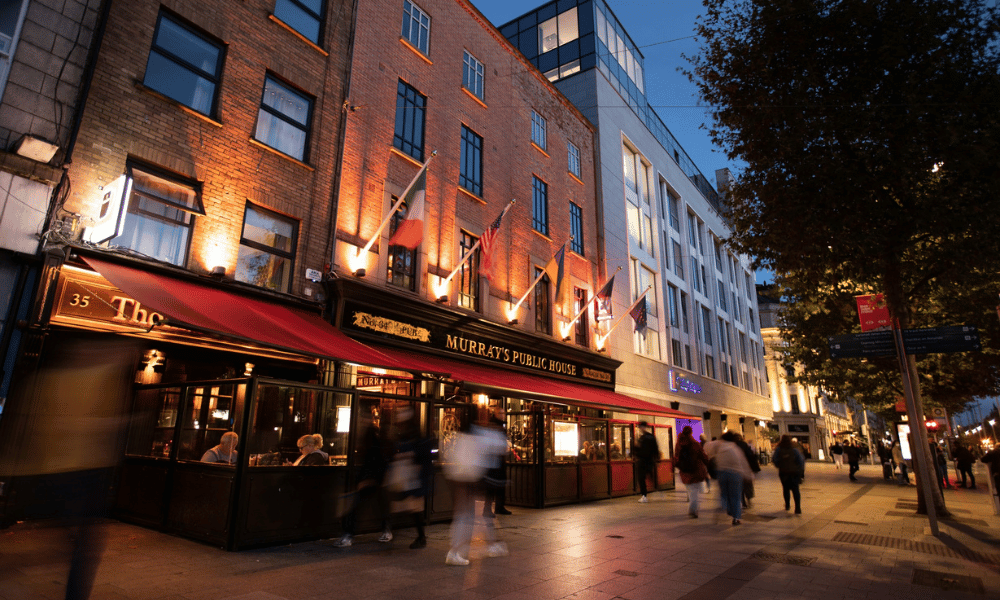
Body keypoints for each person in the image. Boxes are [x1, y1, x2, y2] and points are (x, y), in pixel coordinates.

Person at [444, 416, 509, 566]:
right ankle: (455, 551)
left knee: (465, 515)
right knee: (466, 516)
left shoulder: (462, 438)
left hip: (462, 480)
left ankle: (459, 550)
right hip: (468, 480)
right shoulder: (475, 438)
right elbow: (498, 447)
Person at [334, 407, 392, 547]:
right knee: (375, 506)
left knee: (356, 507)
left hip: (370, 477)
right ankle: (385, 530)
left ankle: (348, 535)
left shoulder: (370, 434)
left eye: (361, 419)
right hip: (373, 477)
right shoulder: (371, 433)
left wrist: (366, 477)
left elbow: (373, 457)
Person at [389, 408, 434, 549]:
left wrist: (406, 455)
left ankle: (420, 537)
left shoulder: (415, 438)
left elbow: (421, 454)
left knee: (413, 508)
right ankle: (418, 537)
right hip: (408, 477)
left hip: (412, 477)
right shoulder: (409, 436)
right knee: (409, 508)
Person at [705, 431, 753, 525]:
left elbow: (708, 447)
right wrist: (749, 475)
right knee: (735, 496)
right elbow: (742, 462)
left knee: (724, 493)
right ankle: (735, 518)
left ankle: (725, 506)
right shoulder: (734, 448)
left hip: (722, 473)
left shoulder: (719, 447)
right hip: (735, 474)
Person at [483, 405, 512, 517]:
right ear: (495, 414)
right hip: (493, 461)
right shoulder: (493, 426)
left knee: (500, 485)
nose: (502, 415)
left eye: (503, 413)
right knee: (491, 486)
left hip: (499, 460)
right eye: (500, 413)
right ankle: (487, 509)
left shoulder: (500, 426)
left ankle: (499, 507)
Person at [675, 426, 710, 517]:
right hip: (696, 471)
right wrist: (708, 464)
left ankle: (692, 508)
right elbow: (703, 457)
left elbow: (676, 457)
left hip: (685, 472)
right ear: (691, 433)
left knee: (691, 491)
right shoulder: (695, 444)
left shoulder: (678, 445)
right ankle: (693, 510)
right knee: (694, 492)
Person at [772, 435, 805, 514]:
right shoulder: (794, 449)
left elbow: (774, 459)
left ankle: (787, 505)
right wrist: (800, 471)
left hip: (783, 472)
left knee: (785, 489)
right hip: (794, 472)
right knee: (795, 490)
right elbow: (801, 460)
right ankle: (797, 508)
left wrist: (779, 465)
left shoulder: (779, 449)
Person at [633, 421, 660, 503]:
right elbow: (656, 448)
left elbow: (638, 449)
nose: (640, 429)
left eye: (640, 427)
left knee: (641, 478)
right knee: (648, 475)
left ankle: (644, 495)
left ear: (643, 427)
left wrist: (636, 451)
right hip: (649, 460)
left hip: (643, 460)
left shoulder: (643, 438)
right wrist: (657, 458)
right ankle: (656, 489)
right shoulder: (651, 437)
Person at [734, 433, 760, 509]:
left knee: (740, 486)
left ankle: (743, 502)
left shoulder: (732, 445)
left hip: (736, 469)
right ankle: (749, 500)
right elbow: (750, 455)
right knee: (748, 485)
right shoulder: (744, 444)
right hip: (745, 467)